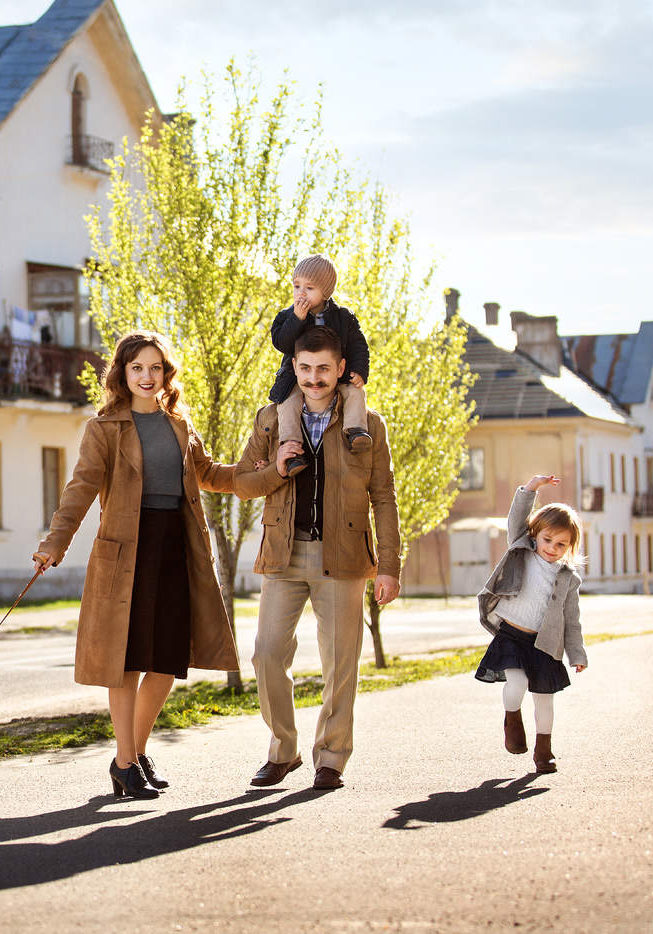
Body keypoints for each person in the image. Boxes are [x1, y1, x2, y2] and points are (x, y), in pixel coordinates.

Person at [33, 330, 242, 799]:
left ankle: (132, 755)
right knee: (125, 664)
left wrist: (270, 471)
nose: (147, 377)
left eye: (155, 368)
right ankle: (127, 764)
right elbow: (80, 489)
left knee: (166, 661)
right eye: (137, 368)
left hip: (174, 549)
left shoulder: (180, 426)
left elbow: (213, 475)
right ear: (122, 374)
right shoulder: (105, 429)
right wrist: (55, 542)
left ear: (166, 374)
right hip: (126, 552)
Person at [234, 325, 400, 790]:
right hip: (283, 555)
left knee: (340, 662)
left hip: (343, 556)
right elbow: (244, 483)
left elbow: (383, 497)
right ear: (294, 368)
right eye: (304, 369)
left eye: (323, 369)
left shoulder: (367, 423)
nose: (313, 378)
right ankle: (283, 750)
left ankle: (331, 757)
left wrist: (389, 564)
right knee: (266, 653)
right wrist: (275, 467)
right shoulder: (271, 420)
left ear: (341, 369)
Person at [473, 475, 588, 774]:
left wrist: (577, 655)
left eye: (561, 544)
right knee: (517, 684)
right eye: (548, 539)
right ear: (535, 534)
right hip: (512, 636)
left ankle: (544, 752)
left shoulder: (568, 578)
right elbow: (516, 519)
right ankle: (512, 719)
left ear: (570, 547)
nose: (552, 547)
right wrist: (531, 488)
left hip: (545, 645)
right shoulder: (521, 550)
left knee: (544, 701)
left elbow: (571, 620)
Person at [269, 255, 371, 476]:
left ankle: (355, 432)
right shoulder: (287, 316)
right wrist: (297, 318)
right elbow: (282, 343)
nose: (301, 293)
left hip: (336, 374)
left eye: (309, 288)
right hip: (297, 377)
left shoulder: (343, 317)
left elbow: (358, 345)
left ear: (325, 292)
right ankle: (292, 450)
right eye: (297, 286)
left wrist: (360, 371)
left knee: (355, 394)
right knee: (288, 404)